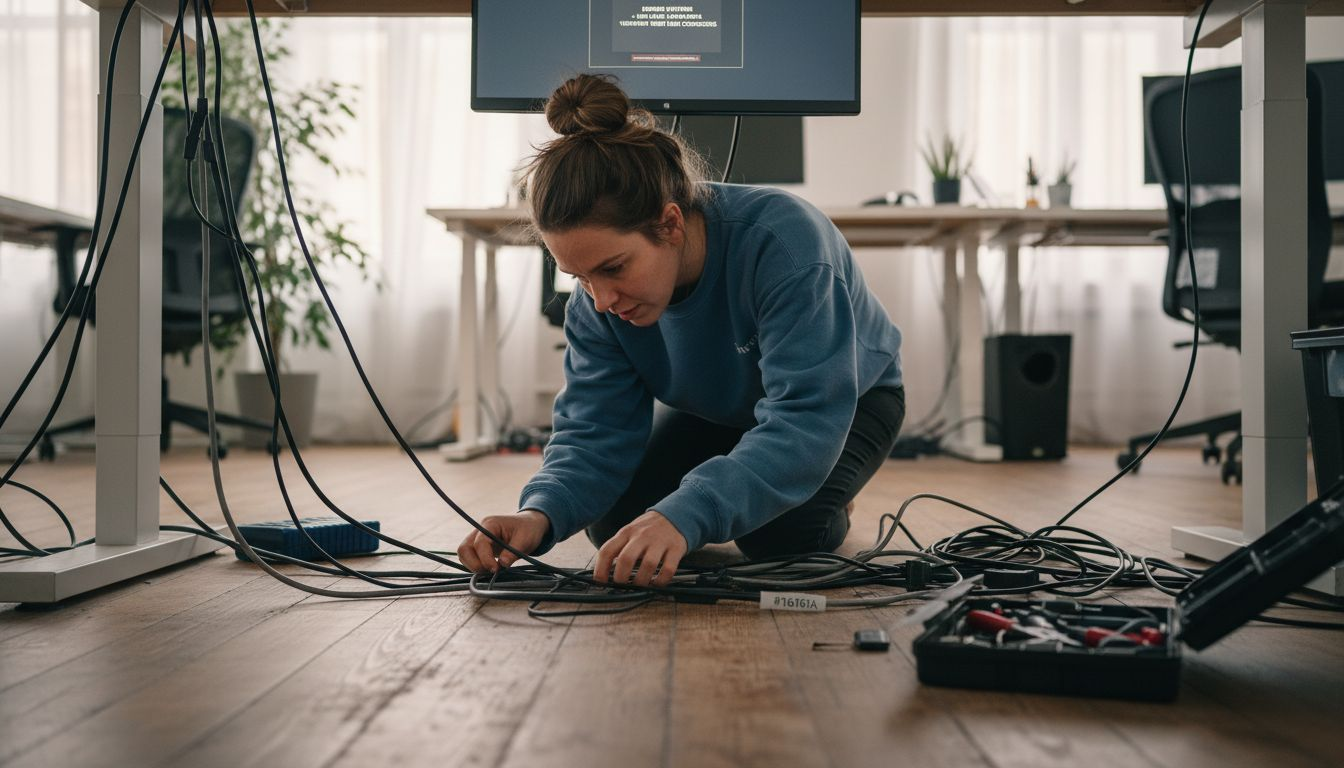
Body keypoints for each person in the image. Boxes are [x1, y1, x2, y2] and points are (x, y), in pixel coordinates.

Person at [458, 74, 905, 587]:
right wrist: (536, 516)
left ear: (670, 224)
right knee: (614, 525)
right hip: (722, 410)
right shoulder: (596, 301)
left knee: (781, 539)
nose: (601, 299)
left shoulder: (785, 245)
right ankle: (754, 476)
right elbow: (594, 431)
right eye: (579, 277)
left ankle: (833, 491)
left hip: (850, 402)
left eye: (613, 268)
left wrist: (684, 516)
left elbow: (805, 419)